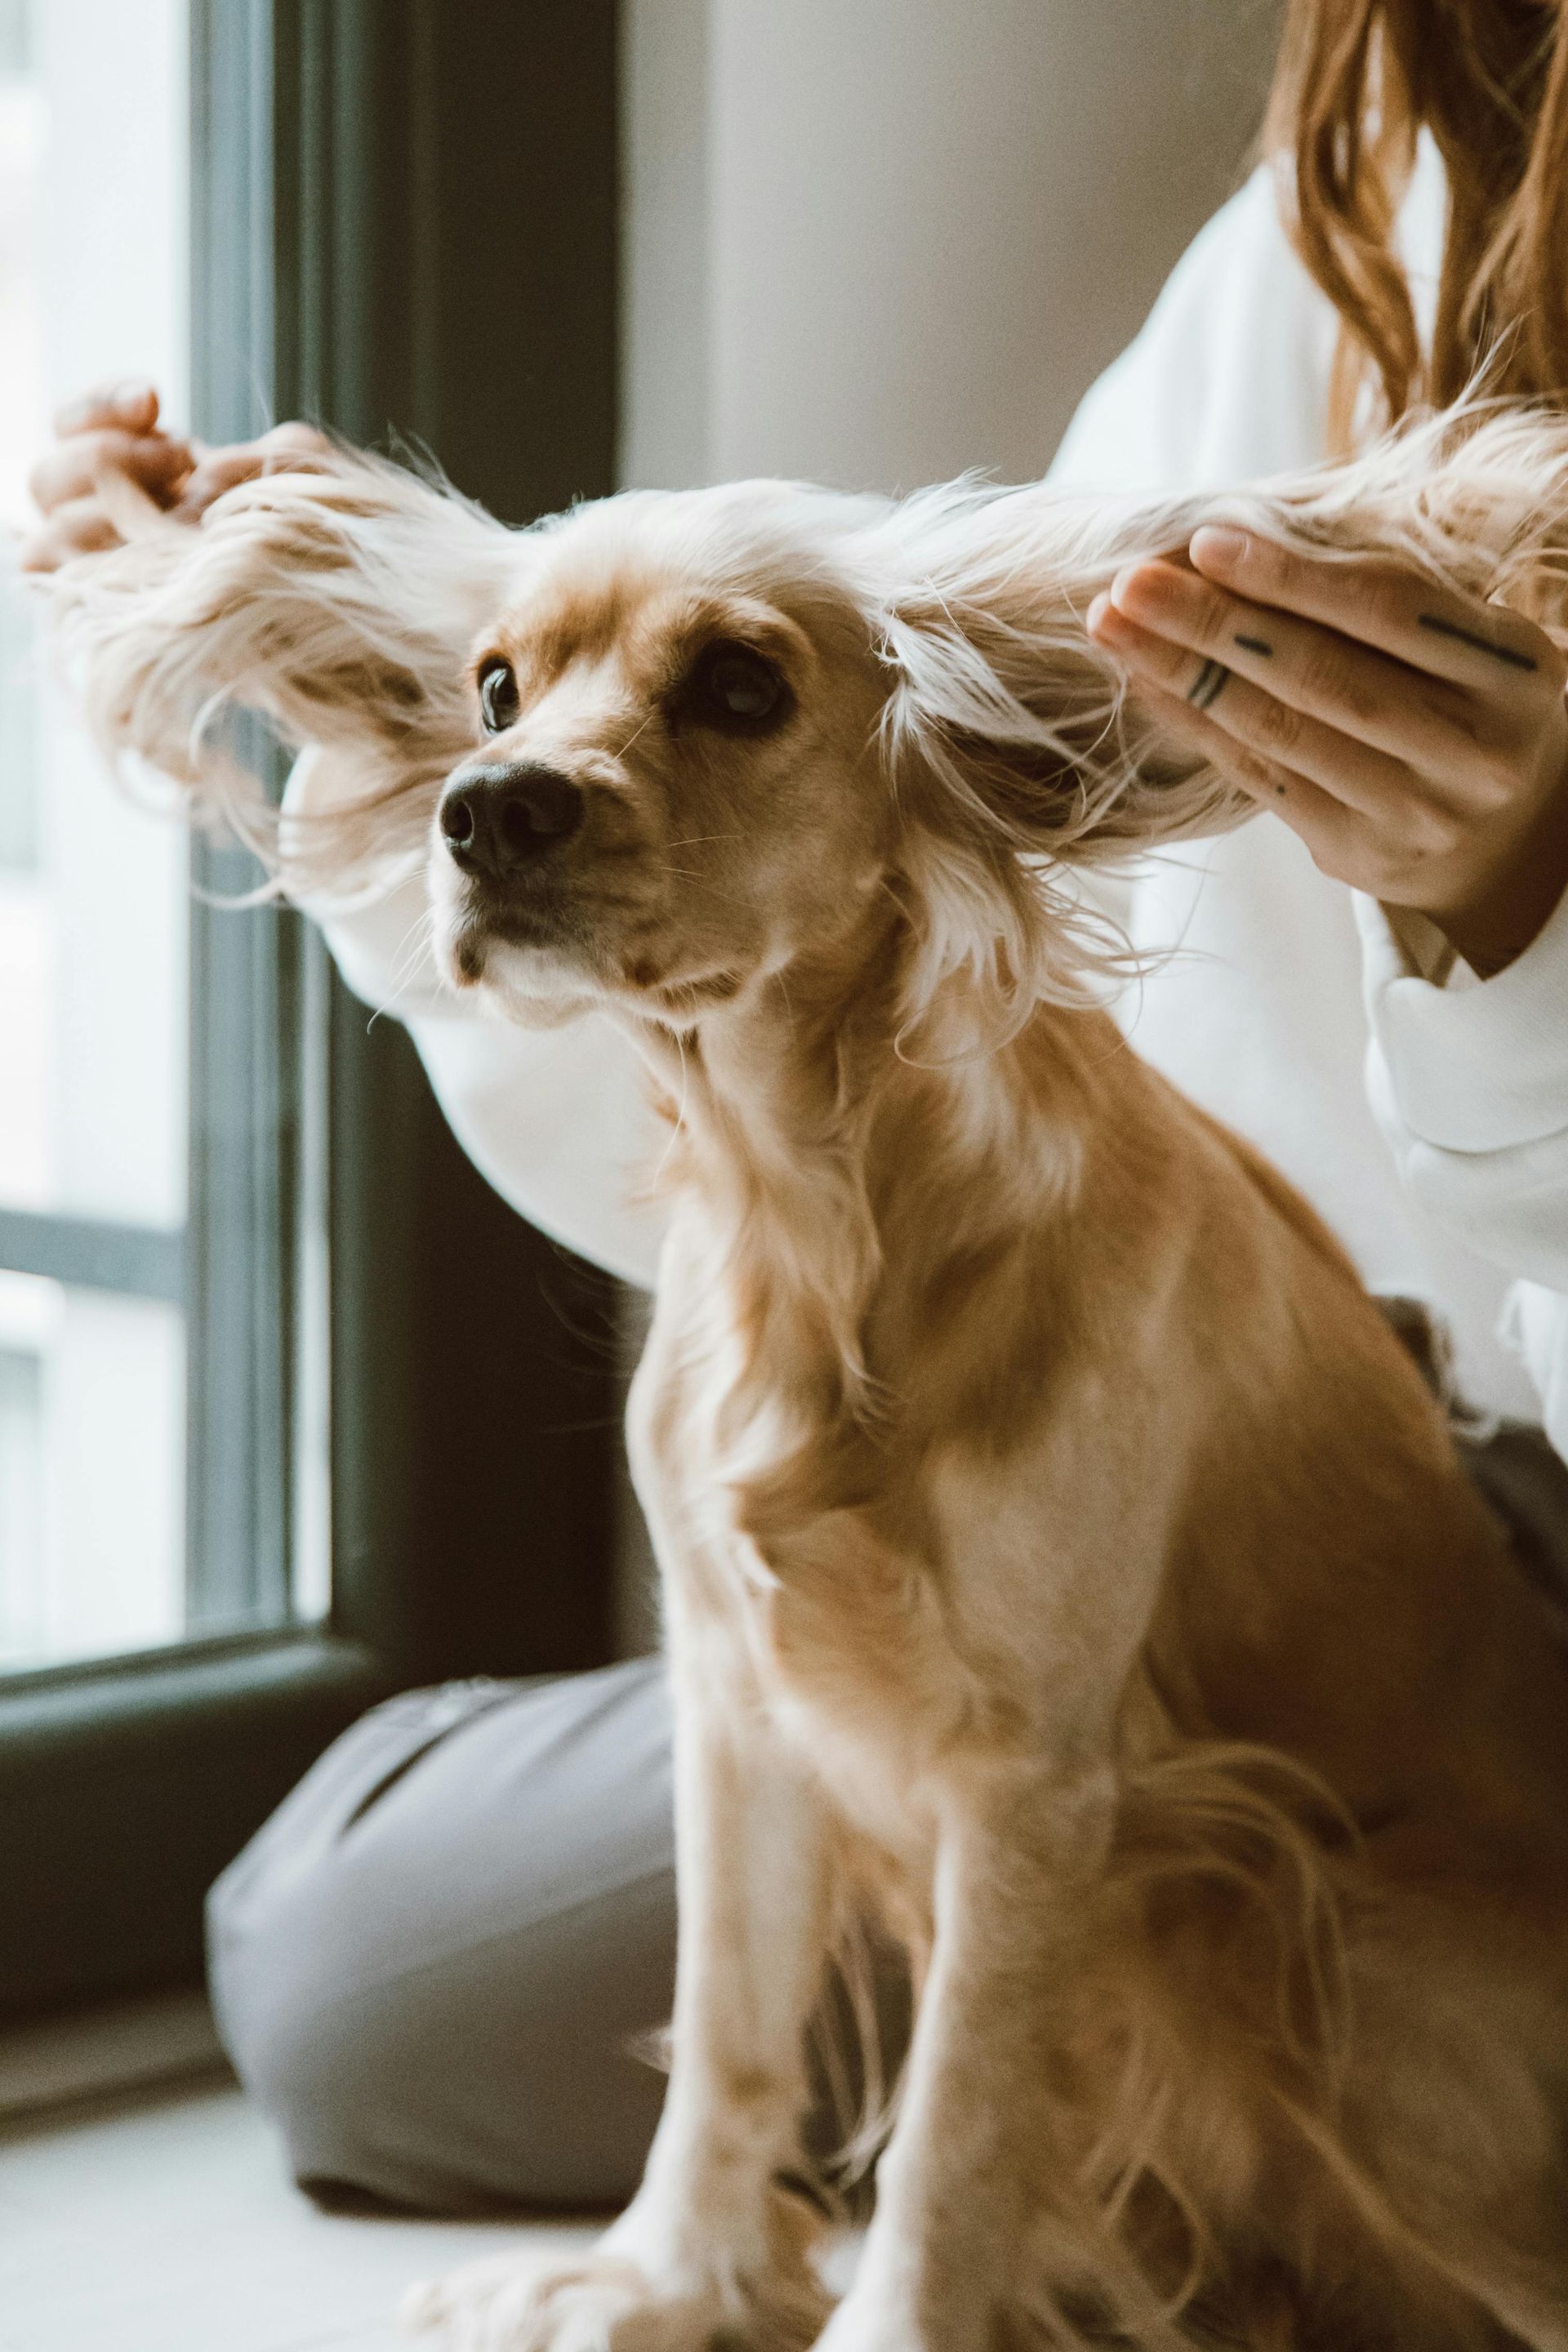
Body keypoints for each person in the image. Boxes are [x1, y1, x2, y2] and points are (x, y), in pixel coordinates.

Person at [21, 0, 1568, 2216]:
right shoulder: (1340, 213)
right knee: (337, 1941)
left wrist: (1522, 929)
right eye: (496, 700)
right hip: (1166, 1417)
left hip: (1493, 1551)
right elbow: (793, 1001)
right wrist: (352, 727)